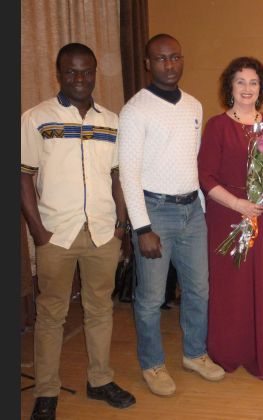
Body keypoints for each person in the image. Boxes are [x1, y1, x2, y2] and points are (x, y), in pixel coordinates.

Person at [21, 42, 135, 419]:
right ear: (59, 74)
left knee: (100, 309)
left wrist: (120, 224)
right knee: (51, 314)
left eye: (86, 71)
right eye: (71, 71)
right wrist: (38, 231)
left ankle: (99, 380)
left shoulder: (112, 121)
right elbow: (23, 176)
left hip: (103, 231)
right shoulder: (37, 118)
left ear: (94, 73)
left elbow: (119, 176)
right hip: (56, 232)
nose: (80, 78)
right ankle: (46, 391)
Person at [118, 33, 225, 398]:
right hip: (155, 212)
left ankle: (194, 354)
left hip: (192, 211)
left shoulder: (194, 105)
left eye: (175, 57)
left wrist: (203, 210)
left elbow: (193, 162)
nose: (169, 64)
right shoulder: (135, 110)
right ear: (148, 64)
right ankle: (152, 363)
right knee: (150, 298)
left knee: (198, 289)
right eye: (161, 59)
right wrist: (142, 227)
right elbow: (128, 174)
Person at [197, 56, 263, 380]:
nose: (247, 88)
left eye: (253, 82)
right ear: (230, 87)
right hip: (227, 214)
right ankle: (227, 350)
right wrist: (238, 204)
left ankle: (258, 350)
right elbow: (205, 177)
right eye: (240, 82)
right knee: (231, 284)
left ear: (261, 87)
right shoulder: (217, 126)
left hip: (261, 214)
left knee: (259, 280)